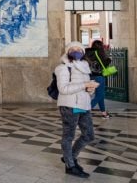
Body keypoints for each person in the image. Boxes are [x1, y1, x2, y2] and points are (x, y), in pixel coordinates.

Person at [56, 41, 99, 179]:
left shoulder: (85, 67)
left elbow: (85, 90)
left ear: (83, 52)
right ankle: (70, 166)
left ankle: (70, 157)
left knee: (89, 135)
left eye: (79, 49)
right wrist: (84, 85)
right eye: (72, 49)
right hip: (69, 106)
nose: (76, 51)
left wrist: (90, 89)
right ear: (68, 51)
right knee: (68, 136)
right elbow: (63, 89)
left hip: (84, 105)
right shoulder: (63, 68)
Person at [85, 40, 111, 119]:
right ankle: (85, 110)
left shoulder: (87, 53)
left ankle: (104, 113)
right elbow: (104, 65)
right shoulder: (99, 52)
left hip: (90, 76)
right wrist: (109, 60)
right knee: (100, 95)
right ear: (100, 46)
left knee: (100, 95)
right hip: (99, 76)